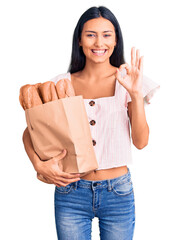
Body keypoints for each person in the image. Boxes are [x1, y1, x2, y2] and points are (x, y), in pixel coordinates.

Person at [22, 6, 160, 240]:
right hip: (71, 192)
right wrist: (38, 165)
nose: (99, 43)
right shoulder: (60, 84)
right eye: (90, 34)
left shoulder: (129, 80)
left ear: (116, 40)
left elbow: (141, 142)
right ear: (79, 40)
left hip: (117, 191)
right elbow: (31, 131)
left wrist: (136, 95)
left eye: (107, 34)